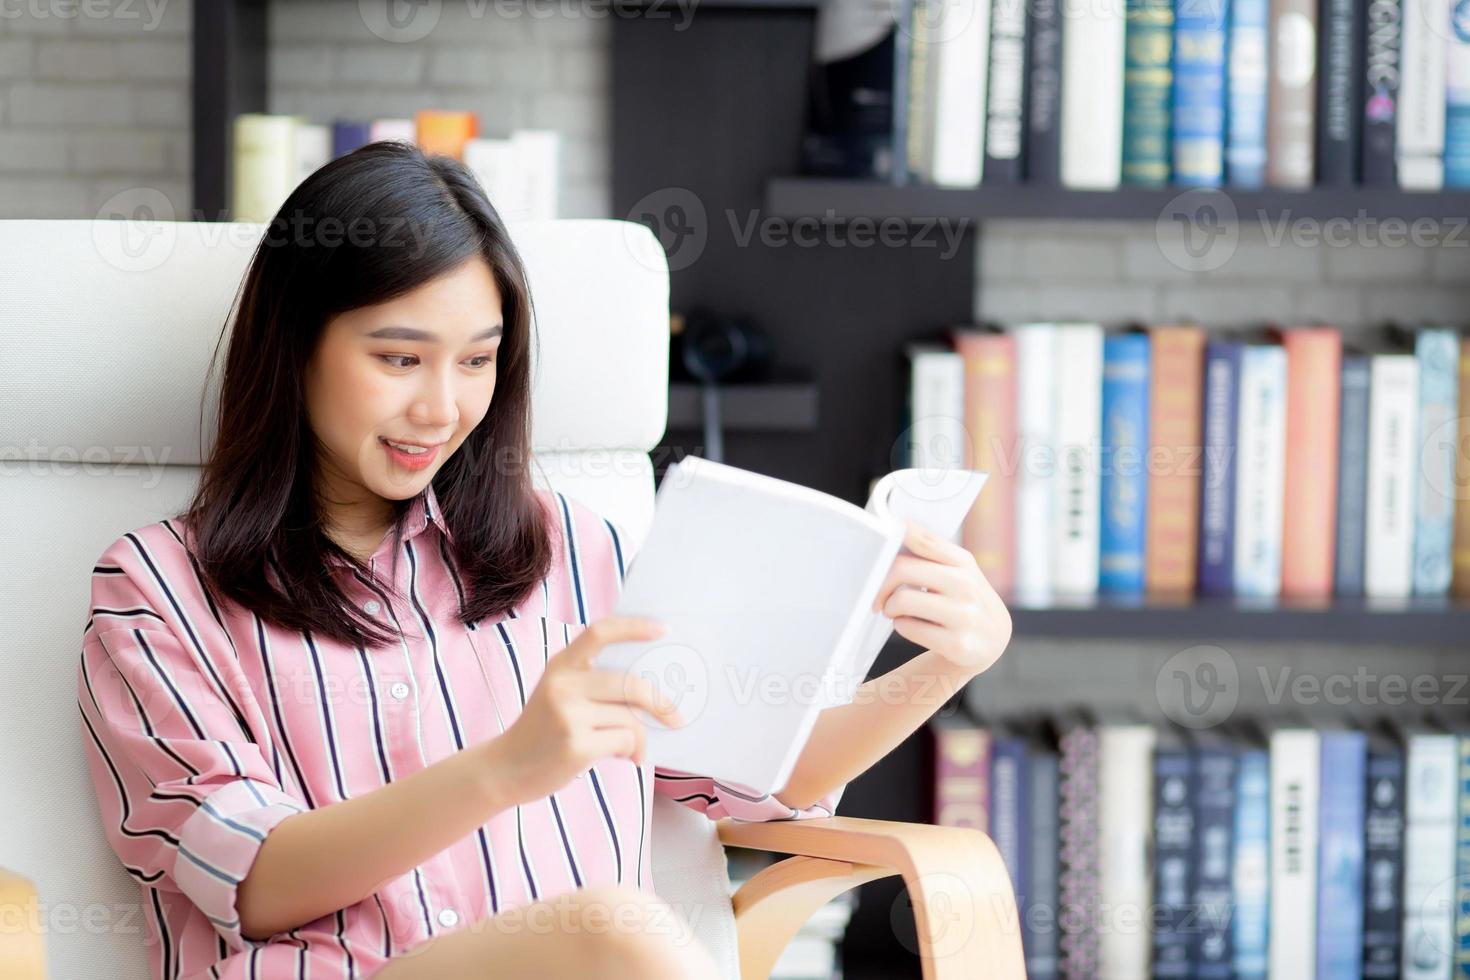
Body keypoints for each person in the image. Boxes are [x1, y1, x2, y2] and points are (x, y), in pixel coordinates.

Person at [77, 141, 1012, 980]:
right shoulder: (156, 591)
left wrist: (944, 665)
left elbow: (764, 779)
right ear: (294, 350)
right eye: (400, 360)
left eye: (477, 362)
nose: (442, 409)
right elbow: (248, 882)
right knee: (610, 928)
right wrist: (510, 766)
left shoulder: (576, 551)